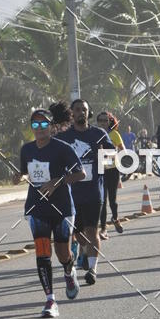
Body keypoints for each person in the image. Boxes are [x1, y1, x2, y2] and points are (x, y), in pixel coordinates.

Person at [13, 107, 83, 317]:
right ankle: (50, 300)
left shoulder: (62, 148)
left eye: (44, 124)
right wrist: (18, 176)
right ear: (31, 128)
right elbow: (26, 170)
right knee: (43, 252)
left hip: (61, 207)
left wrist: (57, 182)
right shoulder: (26, 149)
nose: (40, 128)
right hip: (37, 207)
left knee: (62, 253)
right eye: (35, 125)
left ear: (51, 127)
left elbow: (80, 173)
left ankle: (69, 271)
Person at [59, 100, 115, 285]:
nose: (81, 112)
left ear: (88, 112)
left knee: (92, 231)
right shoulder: (65, 137)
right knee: (77, 234)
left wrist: (103, 158)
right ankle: (83, 249)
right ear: (72, 114)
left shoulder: (98, 134)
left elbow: (112, 158)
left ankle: (93, 269)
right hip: (72, 194)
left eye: (84, 109)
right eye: (77, 110)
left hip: (93, 192)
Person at [96, 110, 124, 238]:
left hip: (112, 169)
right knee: (102, 200)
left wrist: (112, 152)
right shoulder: (94, 135)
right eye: (100, 120)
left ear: (110, 122)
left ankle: (115, 218)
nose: (102, 123)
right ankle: (103, 229)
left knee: (112, 199)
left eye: (105, 120)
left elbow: (122, 150)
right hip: (100, 170)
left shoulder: (114, 134)